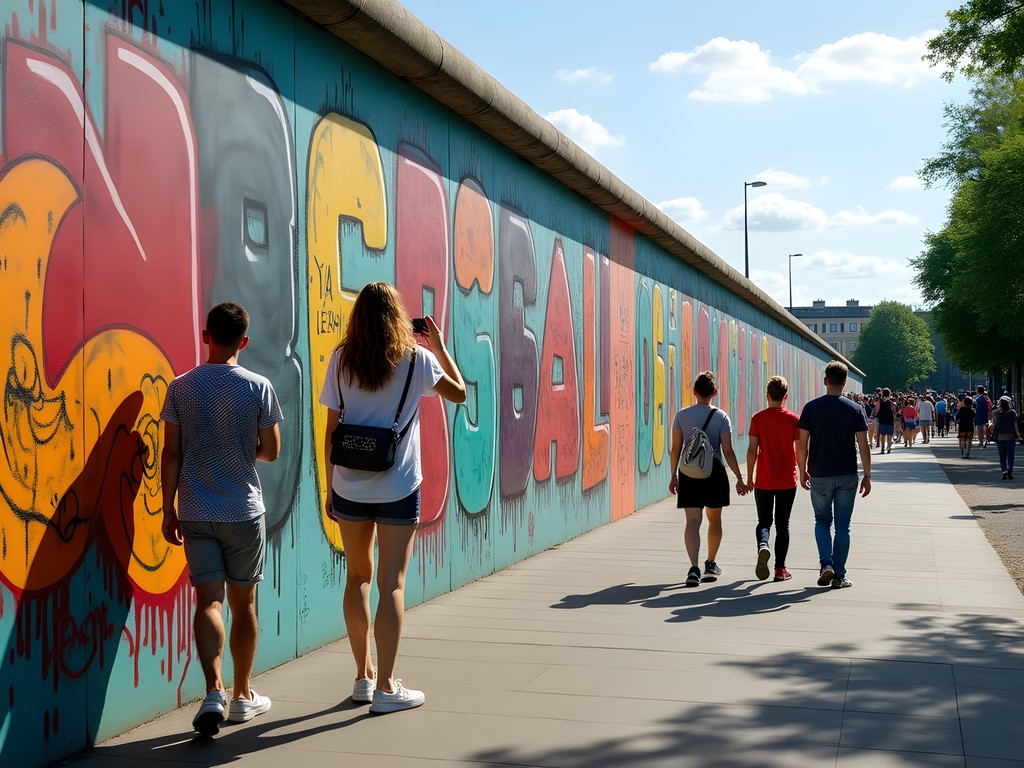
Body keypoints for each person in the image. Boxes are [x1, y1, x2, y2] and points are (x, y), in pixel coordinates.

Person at [320, 282, 465, 715]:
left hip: (349, 486)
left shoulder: (341, 360)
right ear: (398, 317)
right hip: (399, 487)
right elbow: (458, 393)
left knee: (357, 579)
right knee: (392, 585)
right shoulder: (416, 359)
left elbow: (332, 433)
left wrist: (330, 487)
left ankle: (363, 678)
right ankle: (386, 687)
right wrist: (438, 347)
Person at [160, 302, 283, 736]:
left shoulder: (180, 387)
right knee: (243, 604)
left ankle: (213, 690)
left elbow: (171, 452)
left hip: (195, 510)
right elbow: (271, 451)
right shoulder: (259, 387)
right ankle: (242, 695)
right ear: (244, 342)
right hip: (243, 512)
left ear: (205, 335)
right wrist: (240, 449)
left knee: (208, 601)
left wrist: (166, 508)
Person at [796, 361, 871, 589]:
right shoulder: (855, 409)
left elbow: (802, 444)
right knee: (843, 526)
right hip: (847, 474)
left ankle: (825, 563)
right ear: (845, 382)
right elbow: (864, 444)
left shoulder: (811, 408)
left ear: (825, 380)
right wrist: (867, 475)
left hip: (819, 472)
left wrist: (802, 470)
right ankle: (839, 575)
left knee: (821, 520)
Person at [668, 371, 747, 587]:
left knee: (692, 521)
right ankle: (710, 563)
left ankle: (693, 568)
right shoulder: (721, 416)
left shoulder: (681, 415)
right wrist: (740, 478)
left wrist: (673, 475)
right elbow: (728, 450)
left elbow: (676, 449)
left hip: (688, 474)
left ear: (694, 391)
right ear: (715, 392)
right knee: (714, 519)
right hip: (714, 472)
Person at [744, 376, 800, 582]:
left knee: (764, 521)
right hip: (787, 479)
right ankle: (779, 569)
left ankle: (763, 545)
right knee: (783, 524)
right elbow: (800, 448)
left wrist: (749, 477)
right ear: (785, 396)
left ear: (767, 395)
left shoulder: (758, 418)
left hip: (764, 479)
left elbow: (752, 450)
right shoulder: (794, 419)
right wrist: (803, 471)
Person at [992, 396, 1022, 479]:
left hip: (1000, 437)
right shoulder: (1012, 412)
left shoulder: (996, 413)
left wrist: (990, 433)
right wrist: (1018, 435)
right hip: (1010, 437)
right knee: (1010, 455)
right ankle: (1010, 469)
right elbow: (1015, 425)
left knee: (1002, 456)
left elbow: (994, 425)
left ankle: (1004, 471)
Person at [875, 388, 895, 454]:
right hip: (889, 420)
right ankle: (889, 447)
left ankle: (883, 448)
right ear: (889, 394)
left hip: (882, 420)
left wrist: (876, 415)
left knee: (882, 435)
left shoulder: (879, 401)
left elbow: (876, 410)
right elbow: (893, 411)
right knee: (889, 435)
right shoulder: (891, 402)